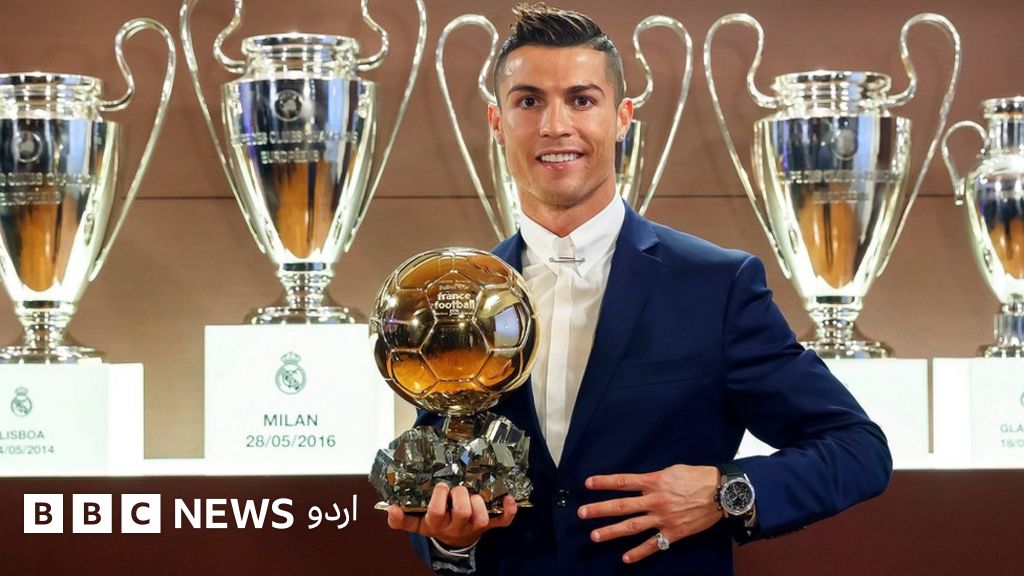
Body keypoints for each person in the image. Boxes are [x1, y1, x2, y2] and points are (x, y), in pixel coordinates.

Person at [387, 4, 892, 574]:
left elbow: (857, 448)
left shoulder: (716, 286)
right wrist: (450, 540)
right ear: (497, 121)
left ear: (622, 117)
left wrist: (724, 491)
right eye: (529, 101)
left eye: (582, 100)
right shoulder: (453, 299)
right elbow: (438, 486)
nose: (555, 125)